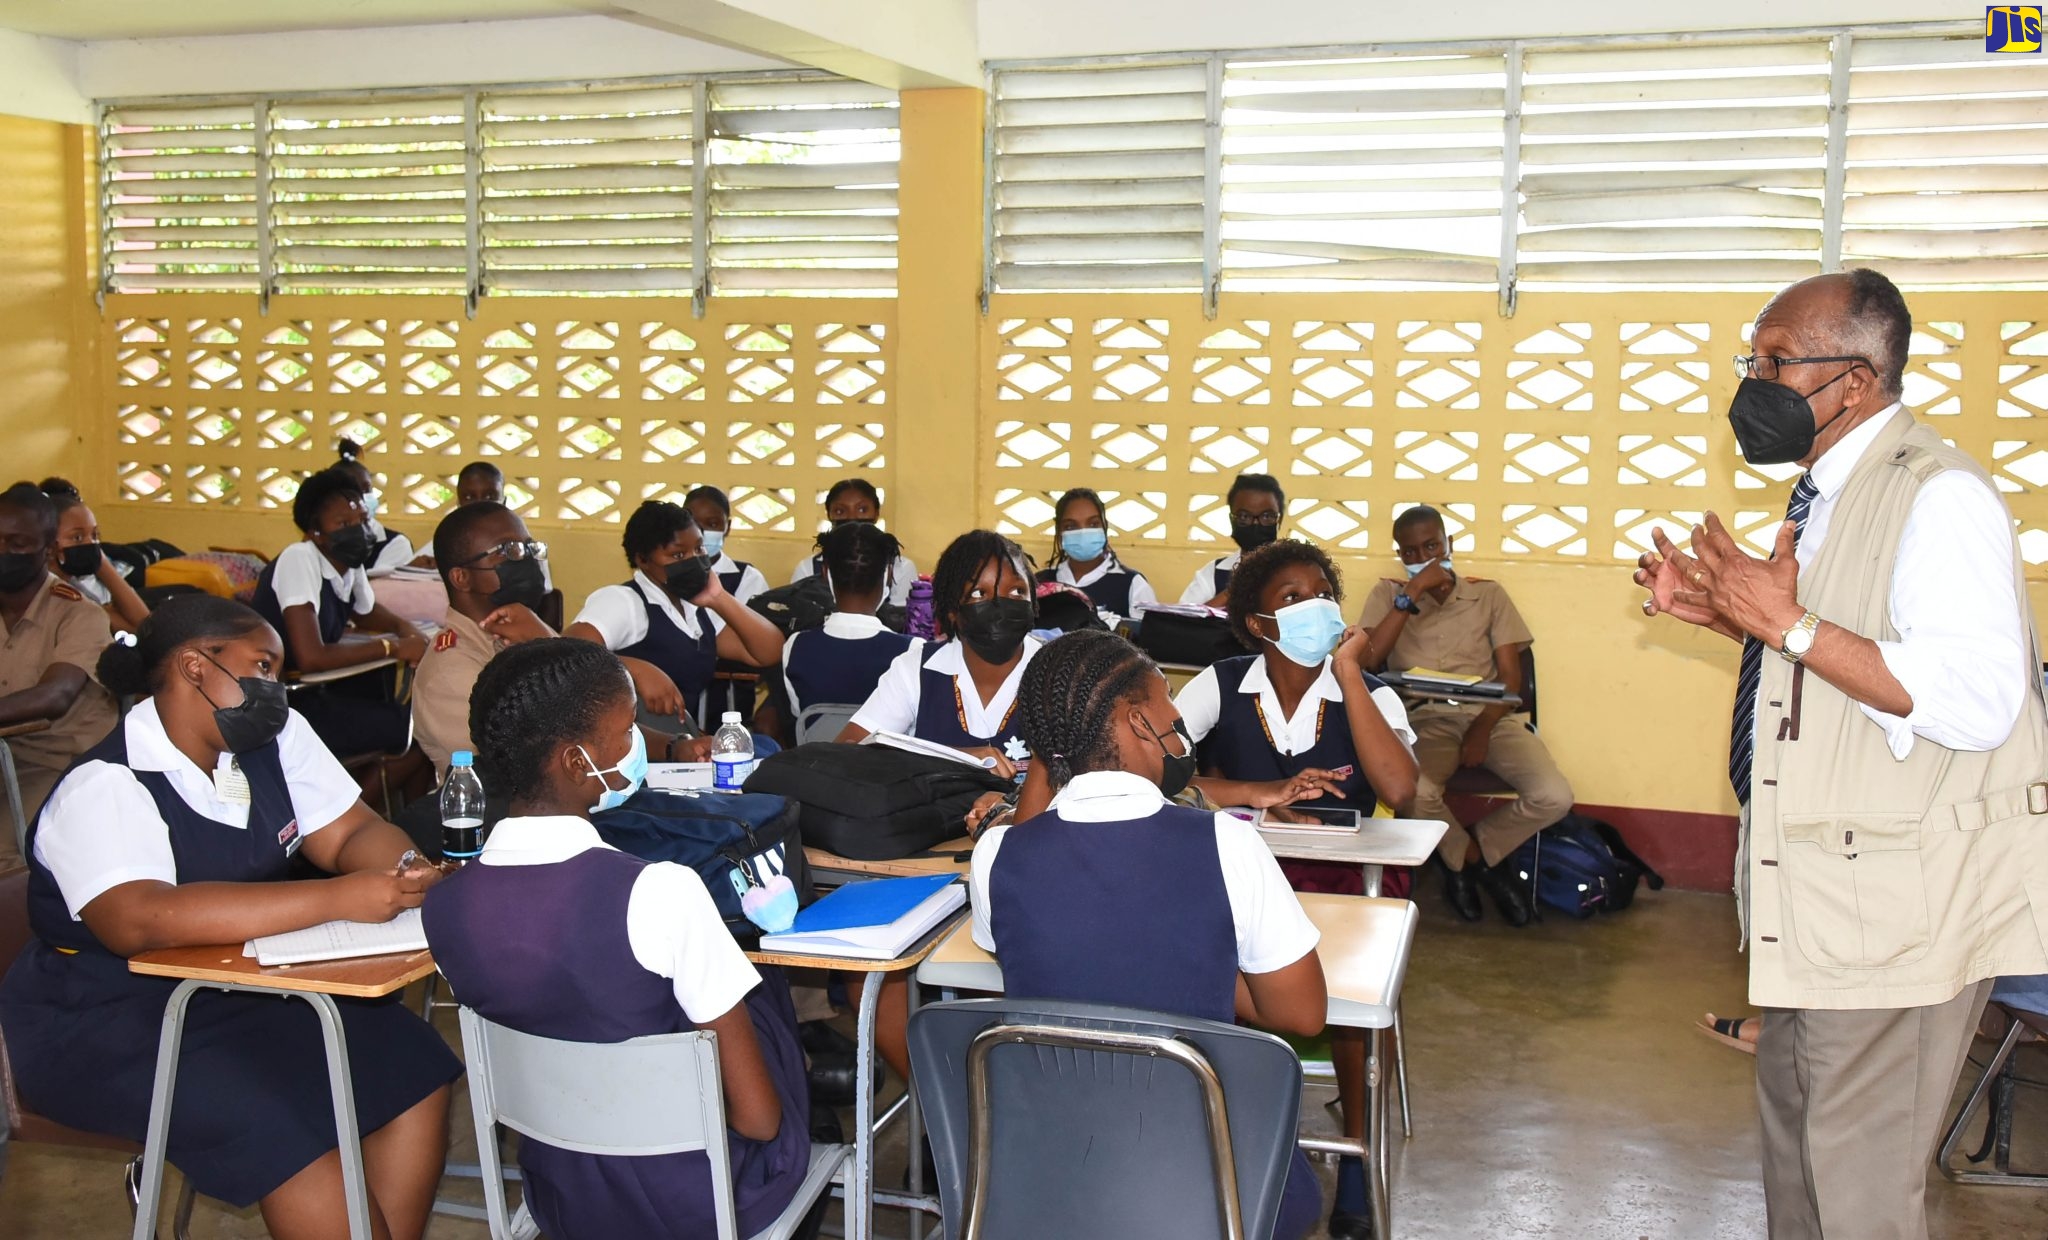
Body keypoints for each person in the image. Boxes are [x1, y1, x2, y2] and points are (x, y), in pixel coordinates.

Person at [1635, 269, 2048, 1240]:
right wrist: (1732, 616)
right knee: (1799, 1170)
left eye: (1776, 360)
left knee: (1856, 1193)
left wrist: (1783, 625)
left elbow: (1976, 699)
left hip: (1898, 915)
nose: (1753, 378)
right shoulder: (1827, 489)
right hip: (1816, 901)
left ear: (1855, 379)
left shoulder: (1936, 497)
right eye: (1751, 358)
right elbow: (1839, 648)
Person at [0, 596, 457, 1239]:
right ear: (194, 666)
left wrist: (407, 869)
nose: (277, 688)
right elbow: (140, 919)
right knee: (284, 1126)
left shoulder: (275, 737)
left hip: (240, 985)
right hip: (111, 1016)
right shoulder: (106, 783)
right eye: (262, 666)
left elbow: (350, 831)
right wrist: (340, 898)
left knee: (414, 1066)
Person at [421, 638, 812, 1240]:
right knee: (764, 999)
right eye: (628, 730)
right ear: (577, 763)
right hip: (700, 1199)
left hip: (562, 1196)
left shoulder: (445, 905)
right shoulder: (661, 890)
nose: (639, 748)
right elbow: (758, 1122)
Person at [969, 629, 1328, 1240]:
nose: (1179, 724)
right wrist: (1210, 962)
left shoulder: (995, 856)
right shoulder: (1227, 843)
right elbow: (1302, 1013)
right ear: (1140, 722)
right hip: (1204, 1170)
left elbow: (1067, 959)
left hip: (1044, 1167)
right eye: (1169, 706)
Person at [1173, 536, 1419, 1240]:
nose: (1316, 606)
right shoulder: (1221, 683)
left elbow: (1402, 790)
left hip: (1343, 880)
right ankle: (1238, 1126)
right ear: (1258, 623)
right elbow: (1157, 773)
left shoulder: (1370, 692)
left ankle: (1355, 1162)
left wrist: (1348, 674)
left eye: (1323, 594)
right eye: (1293, 598)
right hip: (1243, 872)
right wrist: (1255, 791)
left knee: (1349, 999)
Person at [1358, 503, 1571, 925]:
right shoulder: (1390, 595)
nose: (1424, 558)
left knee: (1554, 796)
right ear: (1400, 554)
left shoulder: (1487, 594)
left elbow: (1512, 681)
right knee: (1416, 793)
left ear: (1449, 543)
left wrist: (1481, 729)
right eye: (1412, 551)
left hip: (1490, 717)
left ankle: (1468, 853)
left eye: (1432, 546)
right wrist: (1413, 592)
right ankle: (1474, 863)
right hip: (1423, 720)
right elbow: (1368, 660)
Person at [566, 500, 786, 740]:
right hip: (628, 744)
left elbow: (769, 651)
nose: (693, 560)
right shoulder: (625, 601)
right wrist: (636, 669)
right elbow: (568, 654)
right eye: (678, 554)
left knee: (763, 747)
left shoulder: (695, 608)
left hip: (680, 740)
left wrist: (719, 597)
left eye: (699, 549)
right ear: (643, 559)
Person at [250, 469, 428, 761]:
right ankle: (364, 804)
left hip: (321, 688)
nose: (358, 531)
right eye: (344, 523)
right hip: (287, 703)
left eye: (362, 521)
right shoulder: (299, 558)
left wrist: (404, 628)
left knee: (409, 714)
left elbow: (366, 613)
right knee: (416, 729)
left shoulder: (347, 563)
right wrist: (394, 647)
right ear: (315, 533)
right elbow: (311, 658)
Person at [838, 529, 1041, 773]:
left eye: (1017, 591)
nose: (1000, 607)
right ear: (952, 610)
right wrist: (955, 757)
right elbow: (846, 750)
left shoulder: (1060, 670)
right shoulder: (916, 668)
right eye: (979, 594)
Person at [0, 483, 119, 870]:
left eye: (16, 543)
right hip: (7, 758)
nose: (3, 551)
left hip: (61, 764)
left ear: (47, 549)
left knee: (8, 855)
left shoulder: (78, 613)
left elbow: (55, 696)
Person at [410, 501, 556, 779]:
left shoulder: (521, 626)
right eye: (508, 550)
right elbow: (546, 751)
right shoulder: (449, 672)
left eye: (528, 547)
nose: (524, 559)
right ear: (461, 577)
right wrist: (548, 646)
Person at [775, 520, 915, 728]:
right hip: (886, 761)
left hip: (818, 759)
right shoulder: (912, 651)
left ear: (825, 573)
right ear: (889, 574)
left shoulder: (794, 646)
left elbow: (801, 717)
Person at [787, 478, 917, 608]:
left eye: (862, 510)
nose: (851, 517)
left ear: (876, 513)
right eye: (840, 511)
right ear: (829, 515)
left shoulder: (901, 568)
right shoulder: (807, 568)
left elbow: (903, 620)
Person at [40, 478, 150, 631]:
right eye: (77, 537)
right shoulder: (48, 594)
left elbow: (143, 626)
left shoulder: (72, 585)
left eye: (95, 535)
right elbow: (142, 628)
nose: (90, 544)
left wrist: (100, 560)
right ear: (48, 543)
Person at [1034, 486, 1157, 619]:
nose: (1083, 533)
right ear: (1059, 530)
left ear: (1104, 526)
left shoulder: (1132, 585)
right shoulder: (1040, 584)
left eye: (1093, 524)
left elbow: (1149, 636)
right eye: (1071, 526)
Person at [1179, 472, 1286, 607]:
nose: (1255, 523)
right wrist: (1236, 590)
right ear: (1232, 519)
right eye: (1244, 516)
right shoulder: (1213, 574)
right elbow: (1183, 622)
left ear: (1279, 520)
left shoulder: (1298, 571)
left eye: (1266, 516)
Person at [328, 440, 420, 572]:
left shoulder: (395, 544)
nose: (363, 498)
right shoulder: (322, 541)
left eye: (367, 490)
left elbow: (379, 589)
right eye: (354, 492)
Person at [684, 485, 770, 604]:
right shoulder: (665, 573)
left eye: (713, 524)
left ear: (727, 527)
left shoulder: (748, 578)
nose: (701, 532)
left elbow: (752, 622)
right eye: (693, 523)